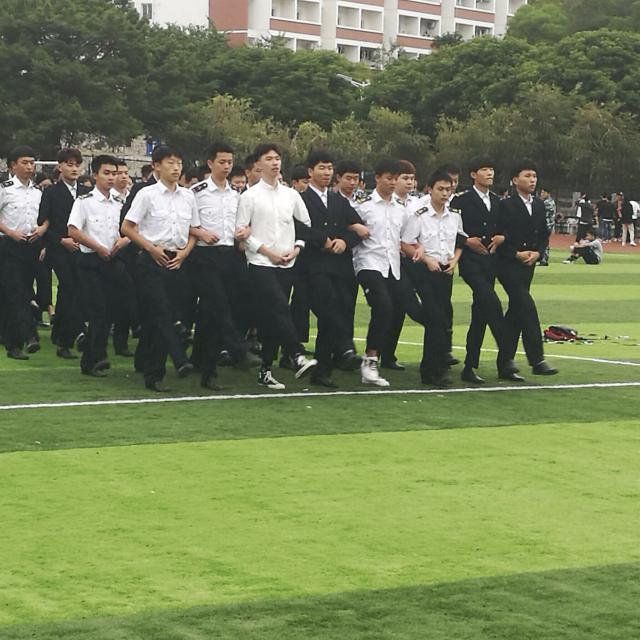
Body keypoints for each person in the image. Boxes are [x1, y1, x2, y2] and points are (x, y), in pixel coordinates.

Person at [235, 142, 318, 390]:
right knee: (280, 306)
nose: (275, 163)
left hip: (287, 263)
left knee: (273, 316)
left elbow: (305, 226)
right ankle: (296, 354)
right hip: (260, 262)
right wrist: (267, 252)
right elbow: (241, 233)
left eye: (277, 158)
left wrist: (297, 248)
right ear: (258, 164)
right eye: (269, 159)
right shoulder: (249, 196)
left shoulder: (291, 195)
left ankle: (266, 369)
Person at [121, 146, 198, 391]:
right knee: (162, 312)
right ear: (156, 166)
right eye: (170, 163)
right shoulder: (147, 194)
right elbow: (127, 227)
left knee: (166, 316)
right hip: (151, 260)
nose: (176, 168)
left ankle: (151, 368)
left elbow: (194, 230)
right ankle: (176, 361)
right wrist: (151, 248)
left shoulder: (188, 196)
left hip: (177, 260)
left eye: (179, 163)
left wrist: (185, 253)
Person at [189, 142, 260, 389]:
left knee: (217, 313)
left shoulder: (236, 195)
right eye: (222, 162)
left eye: (230, 162)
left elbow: (244, 224)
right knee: (218, 306)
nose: (227, 166)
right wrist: (201, 232)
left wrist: (246, 231)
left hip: (230, 256)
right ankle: (238, 350)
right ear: (210, 163)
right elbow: (183, 222)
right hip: (205, 257)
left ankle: (204, 365)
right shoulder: (196, 193)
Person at [351, 159, 425, 387]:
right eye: (389, 178)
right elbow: (344, 222)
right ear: (378, 178)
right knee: (383, 306)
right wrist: (354, 226)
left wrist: (419, 247)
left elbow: (407, 238)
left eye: (395, 179)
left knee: (410, 308)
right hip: (368, 263)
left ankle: (431, 356)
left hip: (393, 266)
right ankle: (370, 361)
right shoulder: (363, 205)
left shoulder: (401, 209)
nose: (393, 183)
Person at [299, 150, 363, 387]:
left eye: (329, 168)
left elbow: (357, 227)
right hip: (313, 265)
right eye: (321, 168)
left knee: (337, 312)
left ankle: (323, 370)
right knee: (328, 308)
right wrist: (322, 240)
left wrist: (345, 241)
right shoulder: (301, 199)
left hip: (340, 266)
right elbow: (297, 227)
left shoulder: (339, 200)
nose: (326, 172)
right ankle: (344, 348)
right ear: (310, 171)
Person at [67, 155, 135, 377]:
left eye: (115, 173)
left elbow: (133, 229)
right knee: (99, 312)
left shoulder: (120, 202)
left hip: (115, 261)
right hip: (91, 262)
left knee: (120, 306)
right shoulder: (84, 201)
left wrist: (124, 241)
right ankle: (94, 359)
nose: (111, 178)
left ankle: (93, 351)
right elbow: (73, 230)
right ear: (95, 174)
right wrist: (98, 247)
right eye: (107, 173)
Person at [450, 159, 514, 384]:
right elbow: (449, 228)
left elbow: (506, 228)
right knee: (491, 303)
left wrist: (502, 237)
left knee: (480, 314)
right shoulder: (461, 200)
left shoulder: (497, 201)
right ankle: (506, 351)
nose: (490, 173)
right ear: (473, 174)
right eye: (485, 170)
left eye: (492, 169)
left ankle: (470, 366)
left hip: (490, 262)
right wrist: (467, 241)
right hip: (471, 263)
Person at [402, 171, 465, 386]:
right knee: (436, 319)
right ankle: (433, 369)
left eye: (448, 189)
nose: (445, 193)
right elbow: (406, 244)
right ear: (430, 189)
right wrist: (426, 259)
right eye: (440, 189)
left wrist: (455, 260)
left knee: (441, 320)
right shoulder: (419, 215)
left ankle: (433, 369)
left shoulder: (454, 214)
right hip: (424, 271)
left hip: (445, 272)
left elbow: (460, 241)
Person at [496, 162, 558, 378]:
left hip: (528, 265)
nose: (533, 180)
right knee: (527, 307)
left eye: (534, 176)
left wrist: (538, 253)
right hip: (508, 264)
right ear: (515, 180)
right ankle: (537, 359)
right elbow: (499, 235)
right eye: (528, 176)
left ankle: (505, 363)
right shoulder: (505, 205)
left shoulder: (539, 205)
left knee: (516, 312)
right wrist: (516, 253)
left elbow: (543, 235)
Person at [37, 148, 91, 359]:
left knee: (72, 292)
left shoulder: (86, 192)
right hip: (59, 249)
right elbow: (44, 223)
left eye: (77, 164)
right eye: (69, 164)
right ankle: (74, 335)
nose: (74, 168)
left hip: (82, 249)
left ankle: (60, 334)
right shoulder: (51, 192)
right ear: (59, 167)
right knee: (69, 287)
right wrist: (61, 239)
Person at [0, 146, 46, 360]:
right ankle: (28, 336)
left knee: (25, 292)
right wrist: (10, 232)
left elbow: (46, 217)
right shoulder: (5, 190)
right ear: (13, 166)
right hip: (9, 246)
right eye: (25, 162)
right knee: (16, 292)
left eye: (32, 163)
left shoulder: (38, 191)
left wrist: (42, 229)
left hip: (32, 246)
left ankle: (13, 342)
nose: (29, 167)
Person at [538, 187, 556, 266]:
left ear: (548, 193)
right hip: (546, 225)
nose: (541, 194)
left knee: (544, 242)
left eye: (543, 193)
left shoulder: (548, 202)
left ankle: (544, 259)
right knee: (542, 242)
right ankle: (542, 258)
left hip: (547, 225)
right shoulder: (548, 201)